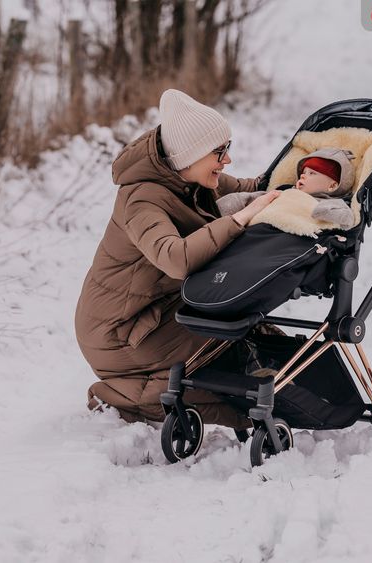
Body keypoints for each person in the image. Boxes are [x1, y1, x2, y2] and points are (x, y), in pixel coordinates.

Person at [74, 89, 280, 428]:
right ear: (191, 154)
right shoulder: (141, 201)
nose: (226, 160)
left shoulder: (190, 178)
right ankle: (125, 395)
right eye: (219, 151)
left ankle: (258, 388)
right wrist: (239, 220)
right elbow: (175, 259)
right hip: (119, 335)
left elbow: (249, 186)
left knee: (233, 318)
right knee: (230, 324)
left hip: (150, 315)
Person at [216, 147, 356, 231]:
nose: (303, 176)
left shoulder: (327, 203)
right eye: (304, 172)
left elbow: (347, 218)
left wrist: (325, 211)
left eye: (312, 173)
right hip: (259, 229)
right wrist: (232, 203)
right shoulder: (284, 192)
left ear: (332, 186)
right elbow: (250, 199)